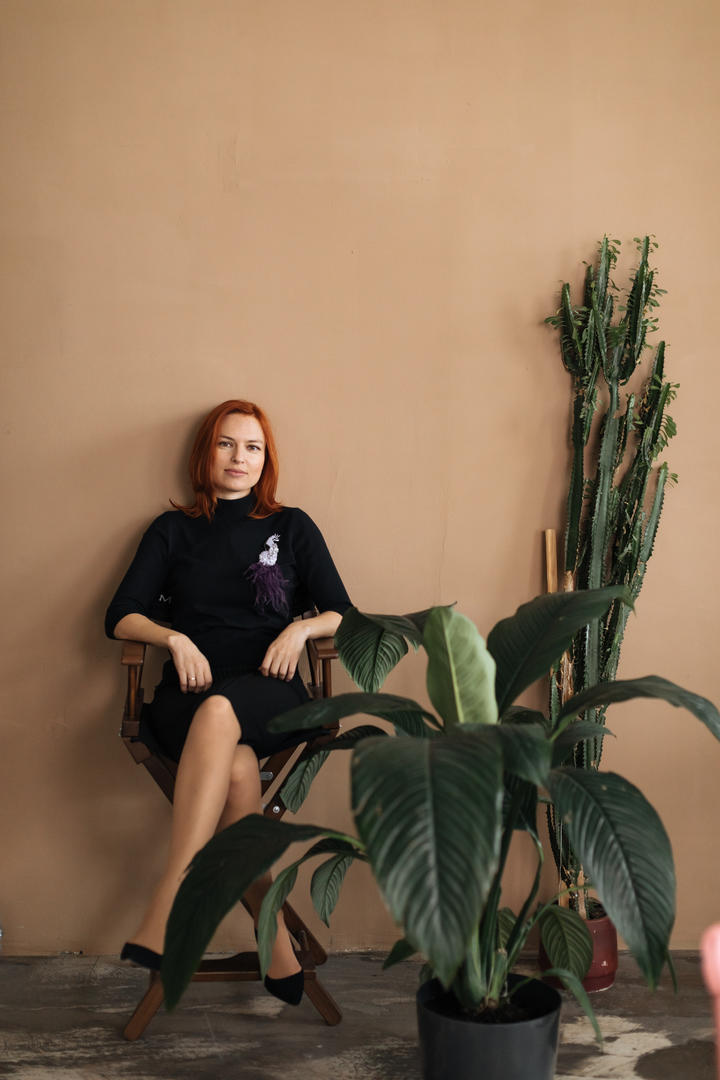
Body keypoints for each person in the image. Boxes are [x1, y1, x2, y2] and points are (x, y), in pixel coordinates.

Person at [105, 399, 351, 1005]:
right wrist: (174, 639)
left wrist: (300, 630)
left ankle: (172, 898)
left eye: (253, 447)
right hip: (187, 697)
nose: (240, 457)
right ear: (205, 453)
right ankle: (277, 944)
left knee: (225, 713)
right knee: (236, 764)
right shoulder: (171, 530)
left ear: (265, 459)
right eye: (226, 443)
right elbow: (120, 615)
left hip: (269, 690)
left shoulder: (292, 526)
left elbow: (343, 611)